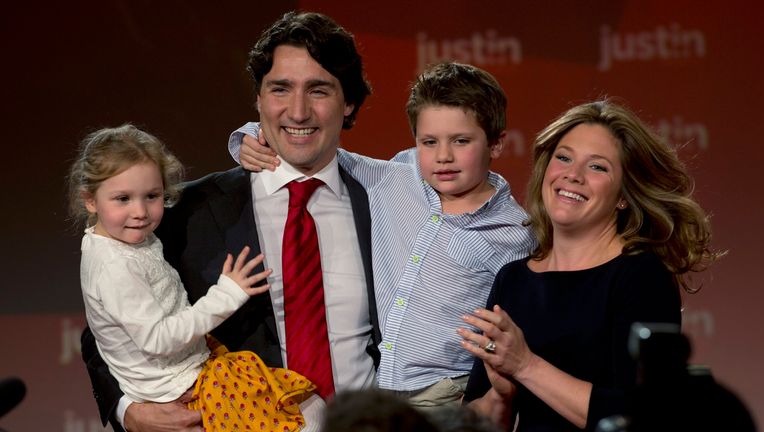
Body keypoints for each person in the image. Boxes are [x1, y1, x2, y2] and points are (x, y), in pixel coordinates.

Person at [79, 11, 381, 432]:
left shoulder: (384, 202)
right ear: (258, 100)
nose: (297, 111)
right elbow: (105, 330)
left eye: (318, 90)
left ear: (348, 101)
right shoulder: (188, 211)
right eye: (280, 89)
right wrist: (128, 410)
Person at [230, 62, 536, 410]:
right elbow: (312, 149)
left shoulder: (514, 232)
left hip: (449, 391)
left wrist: (490, 396)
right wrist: (250, 137)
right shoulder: (395, 177)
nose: (443, 156)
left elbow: (523, 327)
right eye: (429, 142)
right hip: (379, 388)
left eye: (461, 141)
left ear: (496, 144)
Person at [458, 100, 723, 431]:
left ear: (624, 195)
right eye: (564, 158)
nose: (573, 175)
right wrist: (501, 397)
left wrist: (526, 366)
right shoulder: (512, 279)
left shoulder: (640, 277)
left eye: (597, 167)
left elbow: (639, 416)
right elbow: (480, 417)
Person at [68, 124, 318, 432]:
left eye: (152, 195)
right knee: (307, 418)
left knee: (311, 409)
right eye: (123, 199)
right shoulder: (114, 266)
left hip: (194, 363)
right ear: (90, 200)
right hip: (183, 387)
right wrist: (227, 295)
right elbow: (157, 339)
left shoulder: (121, 240)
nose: (140, 211)